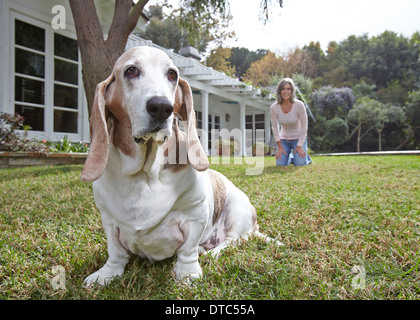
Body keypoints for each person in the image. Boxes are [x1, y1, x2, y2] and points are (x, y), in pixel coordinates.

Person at [270, 78, 312, 166]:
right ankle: (293, 157)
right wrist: (280, 146)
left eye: (288, 89)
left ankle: (305, 159)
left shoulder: (299, 105)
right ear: (279, 91)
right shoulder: (274, 107)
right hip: (284, 140)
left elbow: (304, 126)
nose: (286, 92)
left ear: (292, 91)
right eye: (283, 89)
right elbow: (274, 127)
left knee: (300, 164)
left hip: (298, 139)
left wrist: (300, 145)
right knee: (280, 164)